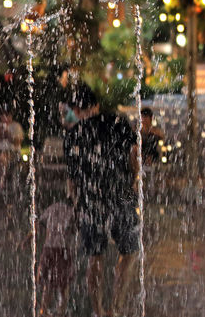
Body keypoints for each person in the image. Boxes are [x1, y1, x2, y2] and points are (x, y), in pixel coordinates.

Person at [64, 85, 139, 317]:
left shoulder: (74, 133)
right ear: (96, 105)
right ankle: (114, 308)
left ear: (76, 110)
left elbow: (72, 180)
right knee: (130, 252)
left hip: (91, 199)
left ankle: (97, 310)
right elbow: (134, 154)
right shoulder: (118, 121)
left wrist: (76, 205)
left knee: (95, 257)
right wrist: (133, 183)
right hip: (122, 194)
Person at [36, 187, 76, 317]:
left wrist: (26, 240)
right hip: (63, 249)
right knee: (64, 285)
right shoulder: (72, 211)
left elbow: (39, 224)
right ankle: (61, 312)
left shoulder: (52, 207)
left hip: (48, 248)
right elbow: (74, 230)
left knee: (48, 282)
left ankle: (44, 310)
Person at [0, 108, 24, 190]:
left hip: (12, 152)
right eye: (2, 116)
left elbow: (18, 142)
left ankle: (2, 181)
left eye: (7, 115)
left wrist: (8, 135)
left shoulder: (16, 126)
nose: (5, 118)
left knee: (1, 157)